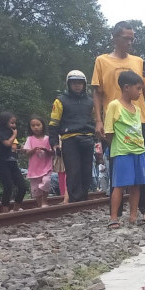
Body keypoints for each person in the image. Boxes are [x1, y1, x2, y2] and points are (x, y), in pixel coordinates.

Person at [91, 20, 145, 221]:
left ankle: (144, 210)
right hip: (115, 119)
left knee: (142, 166)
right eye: (126, 38)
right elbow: (97, 92)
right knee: (117, 165)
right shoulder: (102, 60)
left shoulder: (138, 61)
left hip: (139, 117)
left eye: (132, 39)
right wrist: (98, 120)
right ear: (115, 38)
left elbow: (143, 93)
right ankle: (115, 213)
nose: (130, 42)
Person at [104, 70, 145, 228]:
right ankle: (114, 217)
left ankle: (133, 215)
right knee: (120, 185)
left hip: (139, 151)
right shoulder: (114, 106)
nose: (139, 92)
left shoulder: (137, 109)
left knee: (136, 184)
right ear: (126, 87)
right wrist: (116, 146)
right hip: (123, 152)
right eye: (138, 88)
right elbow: (108, 131)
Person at [48, 70, 95, 202]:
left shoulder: (90, 102)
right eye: (74, 82)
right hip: (70, 139)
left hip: (88, 138)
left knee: (86, 171)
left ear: (84, 84)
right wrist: (54, 143)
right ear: (69, 84)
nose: (77, 85)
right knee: (73, 171)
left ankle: (83, 199)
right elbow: (54, 123)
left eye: (80, 82)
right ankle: (74, 201)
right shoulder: (60, 101)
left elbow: (95, 120)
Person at [0, 112, 27, 213]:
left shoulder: (9, 133)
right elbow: (7, 143)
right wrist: (15, 135)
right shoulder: (0, 132)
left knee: (22, 186)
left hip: (12, 162)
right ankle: (5, 211)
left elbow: (13, 147)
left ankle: (16, 209)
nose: (14, 126)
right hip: (2, 162)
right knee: (8, 186)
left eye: (14, 123)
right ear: (4, 122)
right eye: (12, 123)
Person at [23, 116, 53, 208]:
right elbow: (27, 153)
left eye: (38, 125)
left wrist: (46, 150)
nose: (36, 127)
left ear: (43, 126)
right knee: (35, 188)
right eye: (33, 125)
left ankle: (44, 201)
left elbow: (52, 152)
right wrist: (33, 150)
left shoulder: (48, 139)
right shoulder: (30, 139)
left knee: (46, 181)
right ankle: (39, 204)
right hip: (34, 168)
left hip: (46, 166)